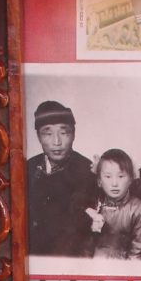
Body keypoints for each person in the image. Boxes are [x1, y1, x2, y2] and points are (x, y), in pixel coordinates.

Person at [26, 99, 97, 259]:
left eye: (63, 133)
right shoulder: (28, 167)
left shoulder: (88, 170)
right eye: (48, 133)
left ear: (73, 134)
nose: (56, 142)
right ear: (38, 136)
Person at [85, 149, 141, 260]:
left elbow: (136, 252)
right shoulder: (94, 206)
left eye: (121, 176)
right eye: (108, 176)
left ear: (131, 179)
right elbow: (86, 247)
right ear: (99, 181)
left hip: (123, 268)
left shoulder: (138, 210)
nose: (114, 183)